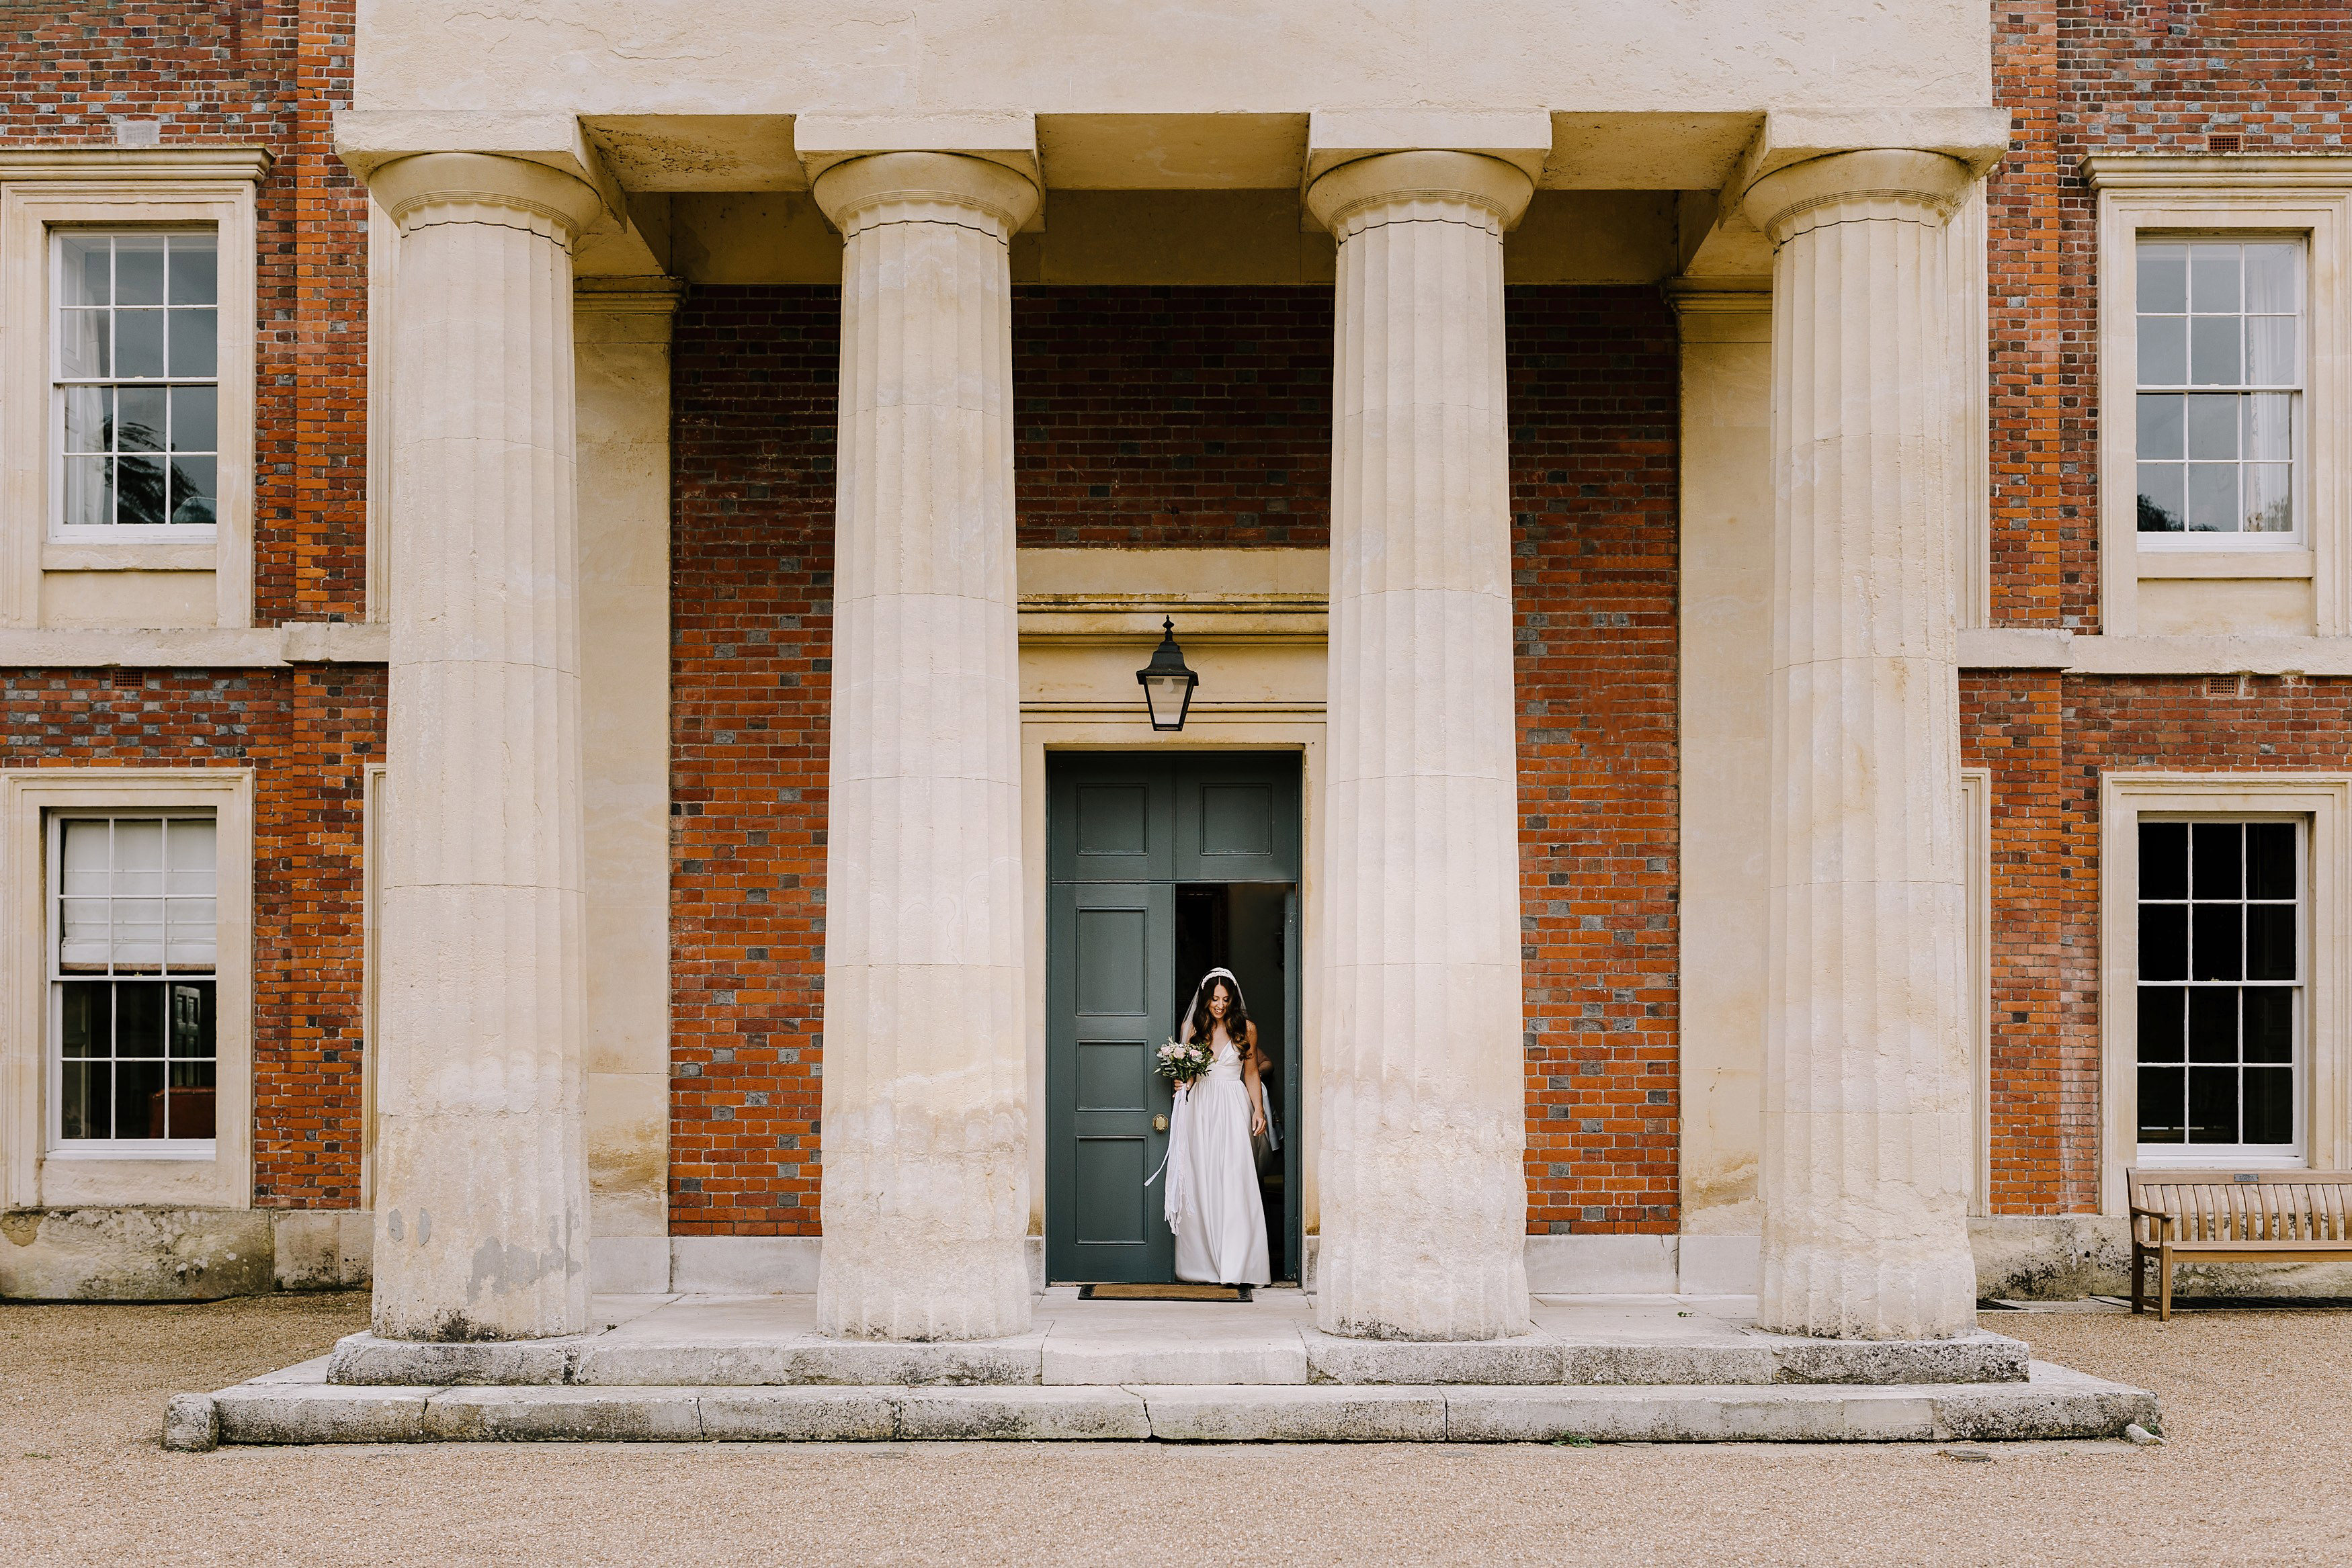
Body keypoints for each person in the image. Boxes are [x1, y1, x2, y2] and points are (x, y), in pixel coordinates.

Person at [1163, 967, 1271, 1286]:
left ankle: (1237, 1265)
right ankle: (1204, 1265)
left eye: (1225, 999)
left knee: (1234, 1179)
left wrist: (1259, 1110)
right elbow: (1190, 1073)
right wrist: (1184, 1083)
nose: (1220, 1005)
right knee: (1203, 1178)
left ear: (1233, 999)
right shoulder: (1192, 1027)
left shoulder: (1246, 1028)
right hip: (1201, 1107)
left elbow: (1251, 1073)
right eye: (1214, 999)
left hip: (1233, 1105)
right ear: (1206, 999)